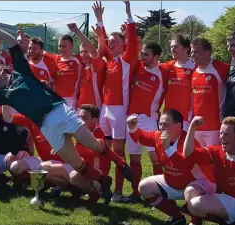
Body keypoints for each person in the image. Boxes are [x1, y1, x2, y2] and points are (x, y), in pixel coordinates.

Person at [0, 12, 132, 203]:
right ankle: (102, 181)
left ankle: (121, 163)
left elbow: (11, 42)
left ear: (3, 71)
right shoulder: (3, 95)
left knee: (93, 144)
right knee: (76, 163)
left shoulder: (21, 71)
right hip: (47, 126)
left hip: (60, 111)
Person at [127, 110, 216, 225]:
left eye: (166, 125)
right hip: (173, 181)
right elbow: (142, 137)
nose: (162, 128)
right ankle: (177, 217)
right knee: (144, 187)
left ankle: (195, 222)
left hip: (197, 183)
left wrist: (167, 147)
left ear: (178, 125)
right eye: (160, 124)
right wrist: (132, 127)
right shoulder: (158, 136)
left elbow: (184, 166)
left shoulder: (189, 142)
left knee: (191, 192)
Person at [93, 1, 138, 202]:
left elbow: (132, 38)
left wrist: (128, 14)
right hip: (105, 109)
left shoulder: (128, 58)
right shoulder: (110, 59)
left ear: (123, 44)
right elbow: (101, 42)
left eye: (114, 41)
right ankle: (103, 185)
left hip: (120, 110)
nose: (110, 43)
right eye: (110, 41)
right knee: (104, 148)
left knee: (119, 151)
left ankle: (119, 191)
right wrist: (100, 20)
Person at [124, 42, 168, 203]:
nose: (143, 57)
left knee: (155, 158)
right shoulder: (137, 68)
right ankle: (136, 193)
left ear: (156, 57)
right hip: (131, 119)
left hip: (150, 119)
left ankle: (159, 193)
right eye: (142, 53)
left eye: (146, 54)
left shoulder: (163, 72)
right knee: (134, 158)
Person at [70, 104, 113, 205]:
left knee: (73, 177)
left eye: (84, 118)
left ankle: (98, 189)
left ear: (94, 120)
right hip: (84, 170)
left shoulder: (99, 134)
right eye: (79, 117)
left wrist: (70, 149)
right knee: (59, 172)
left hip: (97, 174)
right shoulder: (80, 131)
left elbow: (91, 154)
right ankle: (80, 193)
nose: (80, 120)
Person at [190, 38, 229, 147]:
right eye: (191, 52)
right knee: (198, 160)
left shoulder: (222, 68)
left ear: (208, 52)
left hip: (215, 127)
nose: (192, 55)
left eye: (196, 52)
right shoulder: (192, 71)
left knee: (214, 161)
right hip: (196, 126)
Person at [162, 35, 195, 131]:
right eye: (171, 46)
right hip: (168, 117)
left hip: (186, 118)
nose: (172, 49)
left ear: (186, 49)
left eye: (175, 47)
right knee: (166, 145)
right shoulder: (168, 66)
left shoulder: (195, 67)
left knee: (183, 145)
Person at [69, 23, 106, 110]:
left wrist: (77, 31)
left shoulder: (97, 65)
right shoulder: (81, 67)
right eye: (81, 52)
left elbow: (92, 49)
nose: (83, 54)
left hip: (94, 110)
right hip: (80, 109)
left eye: (85, 51)